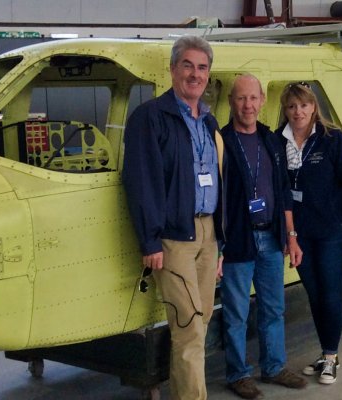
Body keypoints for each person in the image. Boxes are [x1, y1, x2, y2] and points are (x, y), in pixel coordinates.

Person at [122, 36, 222, 400]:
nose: (195, 74)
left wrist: (218, 242)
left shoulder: (208, 121)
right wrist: (150, 240)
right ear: (173, 69)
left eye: (202, 67)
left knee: (201, 321)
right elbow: (140, 180)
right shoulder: (150, 118)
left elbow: (218, 177)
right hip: (174, 237)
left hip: (208, 233)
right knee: (189, 328)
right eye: (188, 66)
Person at [218, 74, 307, 399]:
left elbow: (283, 191)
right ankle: (237, 374)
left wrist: (291, 236)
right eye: (241, 98)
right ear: (231, 101)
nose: (248, 105)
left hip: (271, 239)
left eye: (253, 98)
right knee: (236, 313)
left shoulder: (272, 141)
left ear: (262, 101)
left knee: (273, 308)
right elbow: (216, 199)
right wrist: (218, 246)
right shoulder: (221, 142)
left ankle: (273, 367)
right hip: (238, 242)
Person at [275, 82, 342, 385]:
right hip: (300, 234)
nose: (298, 112)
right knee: (314, 294)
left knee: (330, 293)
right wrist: (288, 235)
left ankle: (330, 356)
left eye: (303, 105)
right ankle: (326, 352)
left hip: (332, 232)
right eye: (291, 107)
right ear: (285, 111)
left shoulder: (332, 139)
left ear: (313, 107)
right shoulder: (278, 141)